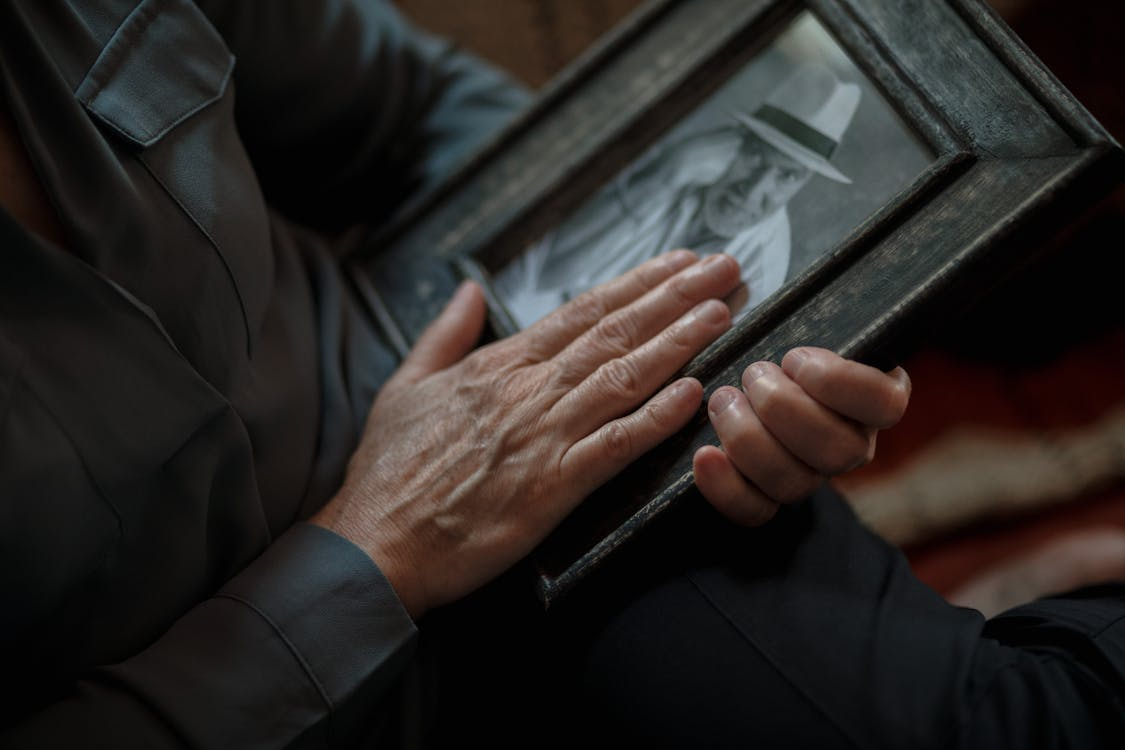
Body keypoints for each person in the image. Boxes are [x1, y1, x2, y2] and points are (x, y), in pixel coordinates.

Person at [0, 2, 1123, 749]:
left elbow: (409, 115)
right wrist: (377, 553)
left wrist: (722, 338)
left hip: (510, 407)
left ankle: (978, 610)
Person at [494, 63, 861, 328]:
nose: (755, 190)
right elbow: (550, 272)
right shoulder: (673, 163)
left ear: (804, 184)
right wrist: (666, 175)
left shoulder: (760, 271)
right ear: (732, 143)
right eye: (754, 156)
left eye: (787, 175)